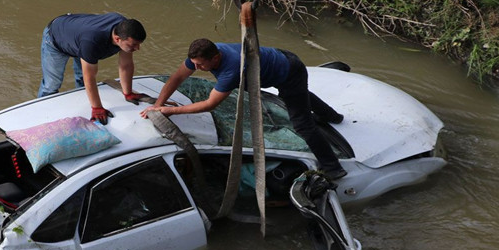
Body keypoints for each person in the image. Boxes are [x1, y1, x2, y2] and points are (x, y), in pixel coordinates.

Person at [140, 38, 347, 179]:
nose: (196, 69)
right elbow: (177, 77)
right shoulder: (202, 56)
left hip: (289, 70)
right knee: (296, 95)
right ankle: (332, 116)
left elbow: (210, 104)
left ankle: (333, 167)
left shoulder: (230, 68)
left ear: (215, 58)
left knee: (302, 123)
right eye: (194, 64)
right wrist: (159, 104)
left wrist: (170, 111)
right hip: (266, 67)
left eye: (201, 65)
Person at [37, 12, 148, 124]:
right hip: (55, 38)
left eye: (139, 44)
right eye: (133, 45)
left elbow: (126, 65)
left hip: (78, 36)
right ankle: (39, 115)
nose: (137, 48)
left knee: (81, 80)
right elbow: (89, 77)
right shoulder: (92, 42)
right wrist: (97, 108)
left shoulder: (124, 29)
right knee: (51, 85)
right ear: (117, 39)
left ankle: (83, 107)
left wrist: (128, 93)